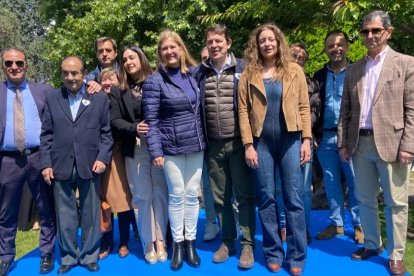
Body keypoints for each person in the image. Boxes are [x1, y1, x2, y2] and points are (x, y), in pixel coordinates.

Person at [338, 10, 414, 276]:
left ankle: (396, 255)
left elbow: (412, 109)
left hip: (393, 145)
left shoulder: (406, 63)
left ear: (388, 32)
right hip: (360, 144)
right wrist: (343, 143)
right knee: (365, 199)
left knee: (396, 203)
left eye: (375, 31)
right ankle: (372, 243)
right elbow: (345, 110)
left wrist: (408, 145)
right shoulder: (354, 69)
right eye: (365, 31)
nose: (369, 35)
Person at [238, 24, 311, 275]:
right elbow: (243, 113)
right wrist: (248, 144)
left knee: (293, 198)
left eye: (271, 39)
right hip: (261, 143)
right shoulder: (248, 73)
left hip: (291, 140)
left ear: (279, 42)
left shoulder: (294, 71)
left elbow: (304, 107)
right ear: (256, 46)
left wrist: (307, 140)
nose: (267, 44)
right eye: (262, 41)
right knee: (266, 198)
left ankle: (297, 256)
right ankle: (273, 251)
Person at [40, 56, 113, 274]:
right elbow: (46, 134)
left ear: (84, 73)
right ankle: (69, 258)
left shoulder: (98, 97)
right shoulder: (53, 97)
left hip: (90, 164)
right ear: (61, 74)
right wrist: (46, 164)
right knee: (65, 215)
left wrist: (102, 158)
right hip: (60, 163)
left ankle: (90, 255)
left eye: (75, 73)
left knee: (91, 213)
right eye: (66, 73)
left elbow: (106, 134)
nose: (70, 77)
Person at [142, 31, 206, 271]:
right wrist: (155, 151)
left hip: (196, 145)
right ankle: (177, 244)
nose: (169, 52)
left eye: (173, 47)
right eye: (164, 48)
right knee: (177, 194)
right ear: (160, 53)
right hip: (170, 147)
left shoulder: (193, 75)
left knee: (192, 195)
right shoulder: (154, 81)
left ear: (181, 49)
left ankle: (191, 242)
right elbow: (151, 120)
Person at [195, 24, 255, 269]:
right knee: (220, 198)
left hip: (239, 143)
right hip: (213, 146)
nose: (214, 45)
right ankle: (228, 240)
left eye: (219, 41)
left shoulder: (244, 68)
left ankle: (248, 244)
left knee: (244, 196)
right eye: (210, 42)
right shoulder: (199, 72)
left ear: (228, 42)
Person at [110, 45, 169, 265]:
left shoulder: (158, 81)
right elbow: (115, 121)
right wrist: (134, 127)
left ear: (141, 58)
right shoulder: (119, 90)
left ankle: (162, 240)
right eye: (124, 59)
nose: (127, 62)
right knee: (142, 196)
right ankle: (148, 242)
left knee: (160, 193)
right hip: (133, 147)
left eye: (131, 57)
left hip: (160, 147)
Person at [0, 48, 56, 276]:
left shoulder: (43, 91)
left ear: (26, 65)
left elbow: (71, 93)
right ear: (3, 66)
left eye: (19, 63)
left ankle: (47, 253)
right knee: (6, 212)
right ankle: (5, 256)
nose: (14, 67)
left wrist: (92, 85)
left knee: (45, 207)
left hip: (39, 157)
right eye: (9, 63)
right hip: (8, 160)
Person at [313, 30, 363, 243]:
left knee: (355, 182)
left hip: (350, 139)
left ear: (347, 47)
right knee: (330, 183)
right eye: (331, 45)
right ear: (325, 49)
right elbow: (314, 107)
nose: (336, 48)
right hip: (325, 138)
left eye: (340, 44)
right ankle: (337, 224)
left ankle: (360, 225)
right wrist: (313, 133)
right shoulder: (319, 75)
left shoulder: (357, 73)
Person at [98, 68, 137, 260]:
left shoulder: (124, 97)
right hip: (98, 157)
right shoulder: (95, 100)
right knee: (102, 202)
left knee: (122, 200)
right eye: (103, 80)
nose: (107, 82)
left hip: (118, 154)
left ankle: (123, 241)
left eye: (110, 78)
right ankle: (106, 241)